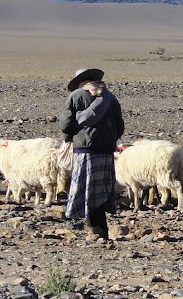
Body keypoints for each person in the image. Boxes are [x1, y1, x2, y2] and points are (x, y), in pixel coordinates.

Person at [59, 68, 124, 240]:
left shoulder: (76, 96)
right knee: (100, 190)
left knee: (87, 190)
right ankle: (100, 229)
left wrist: (73, 136)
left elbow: (65, 124)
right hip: (106, 151)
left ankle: (95, 231)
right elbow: (120, 126)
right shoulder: (111, 98)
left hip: (85, 150)